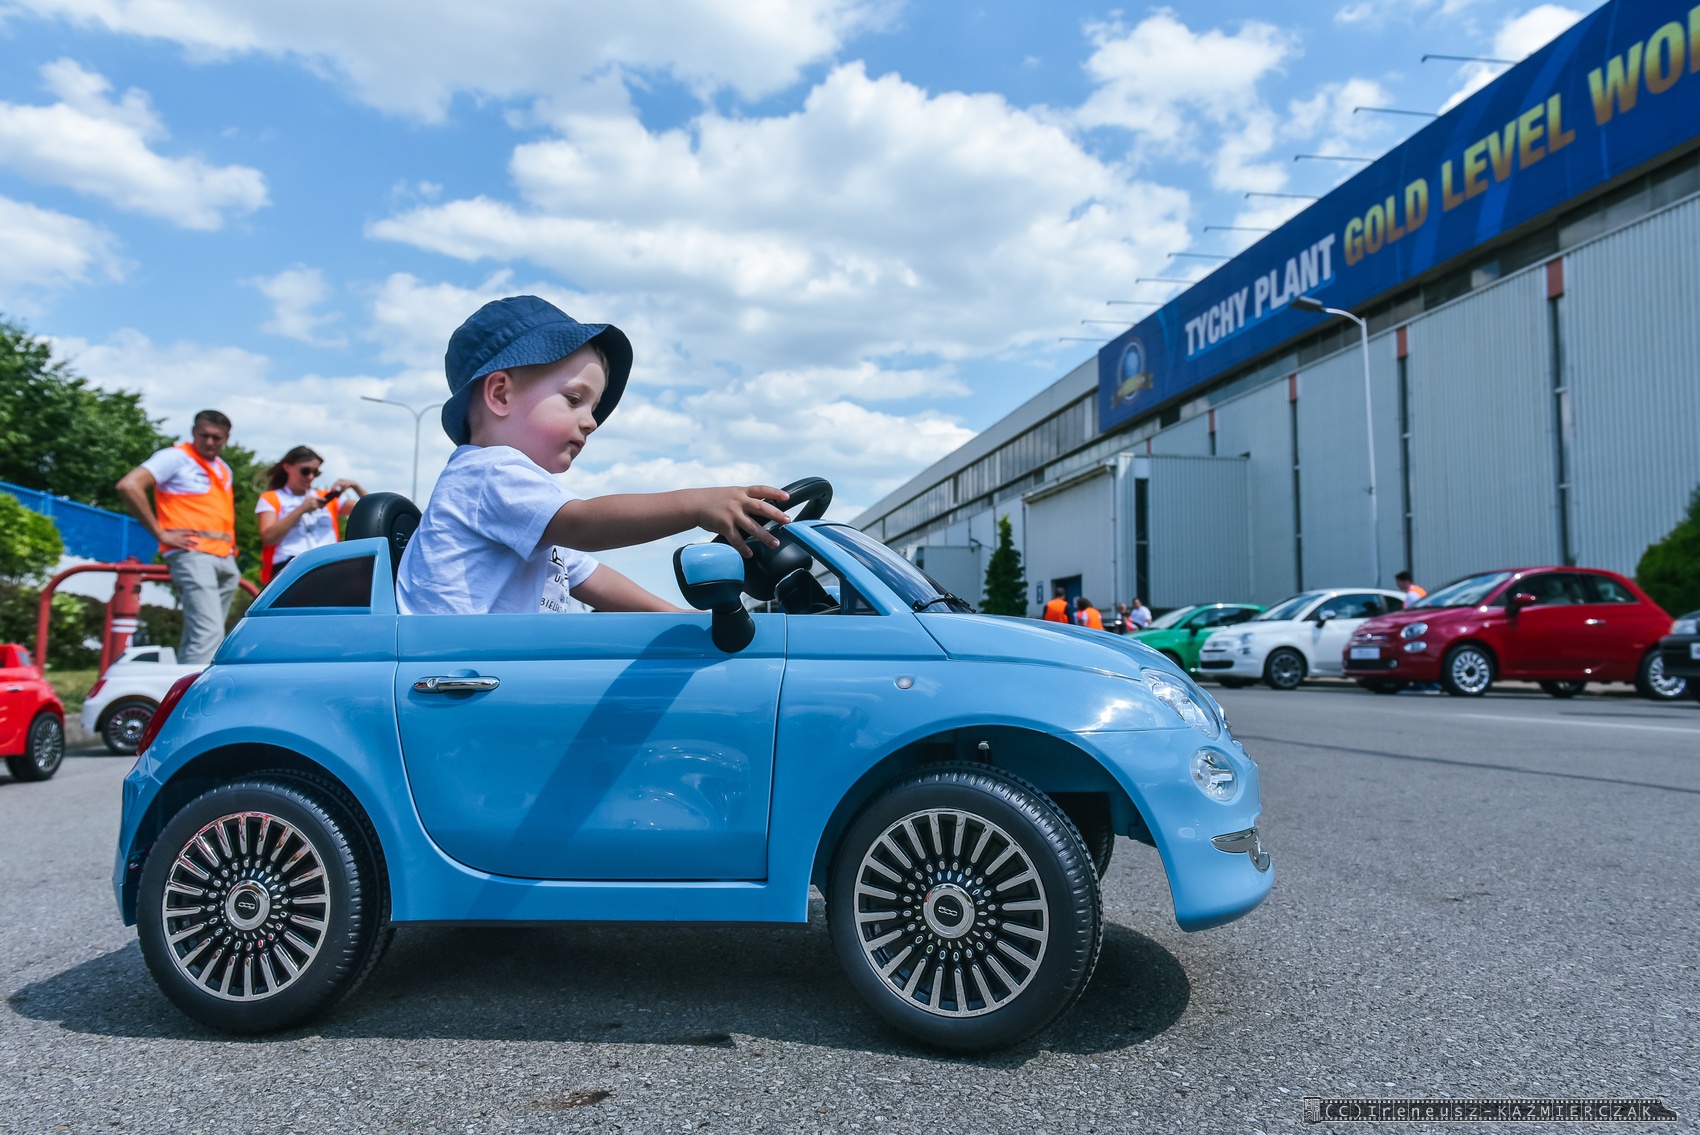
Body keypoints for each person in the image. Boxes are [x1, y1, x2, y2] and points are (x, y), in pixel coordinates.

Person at [395, 295, 791, 616]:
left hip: (481, 670)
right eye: (574, 399)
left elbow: (591, 578)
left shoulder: (520, 508)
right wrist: (695, 505)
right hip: (448, 672)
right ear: (500, 394)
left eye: (594, 408)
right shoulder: (486, 473)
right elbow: (584, 524)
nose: (591, 422)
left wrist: (682, 620)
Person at [116, 410, 240, 664]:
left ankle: (180, 682)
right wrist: (160, 533)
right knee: (208, 633)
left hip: (223, 555)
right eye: (203, 435)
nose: (209, 442)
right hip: (192, 553)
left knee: (208, 633)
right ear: (193, 431)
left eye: (216, 437)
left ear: (227, 438)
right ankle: (196, 689)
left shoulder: (223, 468)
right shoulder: (175, 457)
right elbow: (129, 485)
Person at [256, 445, 368, 583]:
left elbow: (370, 508)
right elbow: (268, 537)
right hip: (291, 565)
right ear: (287, 467)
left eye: (315, 473)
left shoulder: (325, 497)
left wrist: (355, 486)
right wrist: (301, 509)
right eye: (305, 471)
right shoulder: (271, 497)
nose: (310, 477)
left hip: (329, 562)